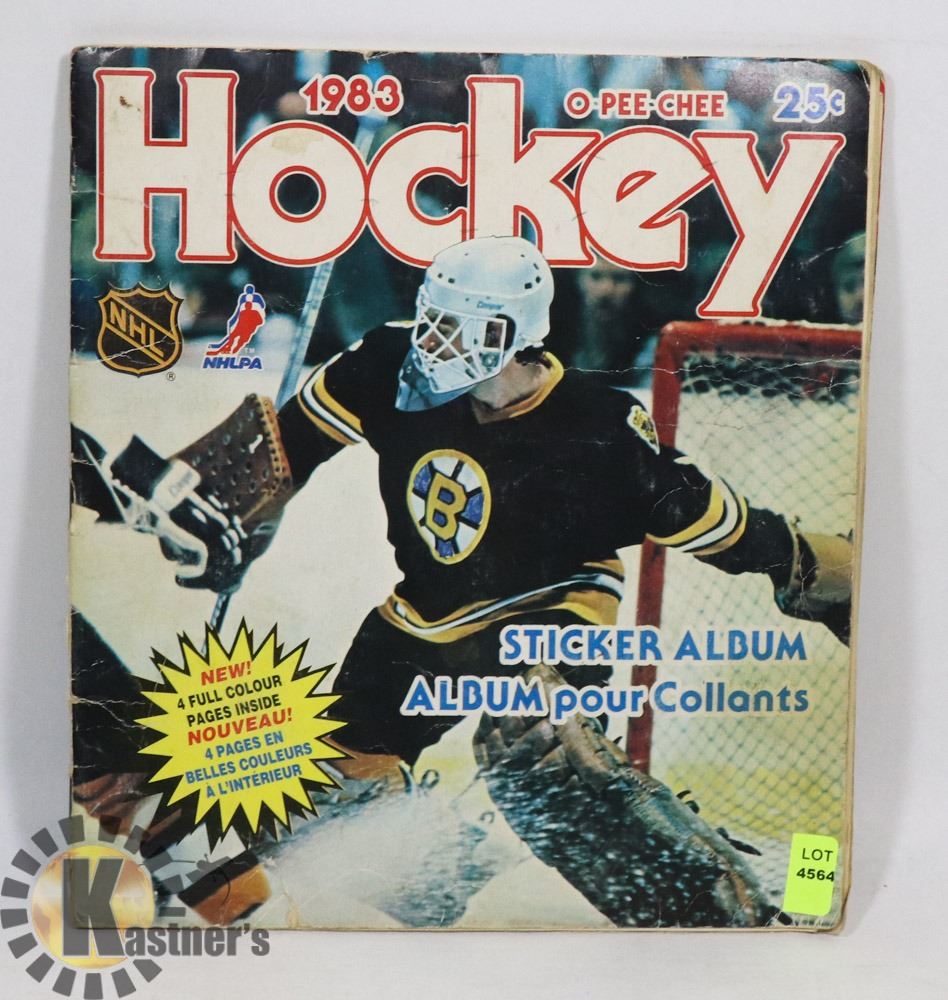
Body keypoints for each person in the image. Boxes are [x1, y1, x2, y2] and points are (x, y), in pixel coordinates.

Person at [100, 236, 852, 927]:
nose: (436, 344)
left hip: (551, 610)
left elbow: (717, 525)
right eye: (433, 320)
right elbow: (283, 449)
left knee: (543, 756)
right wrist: (214, 508)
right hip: (420, 617)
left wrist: (818, 570)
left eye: (464, 329)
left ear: (520, 335)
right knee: (326, 800)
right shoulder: (387, 364)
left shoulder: (594, 425)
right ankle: (457, 881)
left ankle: (736, 907)